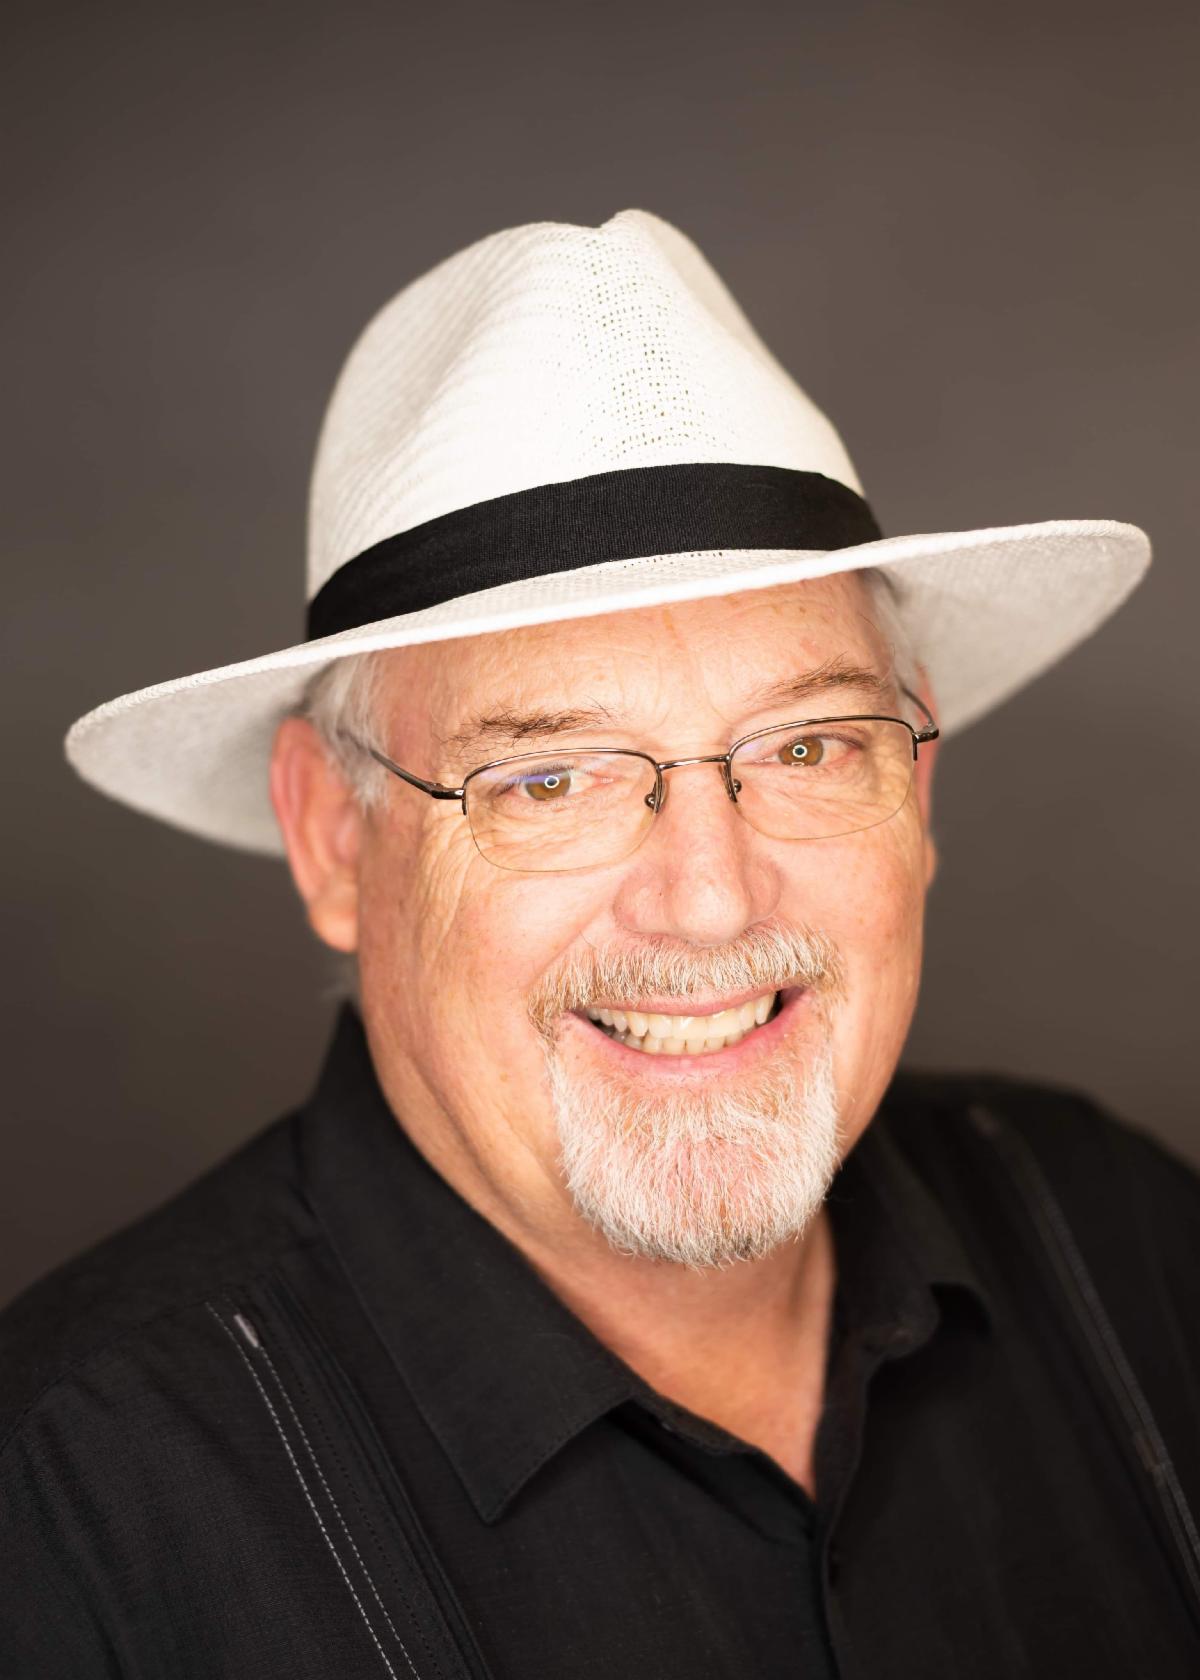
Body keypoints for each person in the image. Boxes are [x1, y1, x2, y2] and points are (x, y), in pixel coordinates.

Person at [2, 208, 1198, 1679]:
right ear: (333, 839)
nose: (710, 901)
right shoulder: (70, 1516)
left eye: (808, 747)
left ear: (920, 788)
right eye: (549, 778)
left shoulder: (1124, 1241)